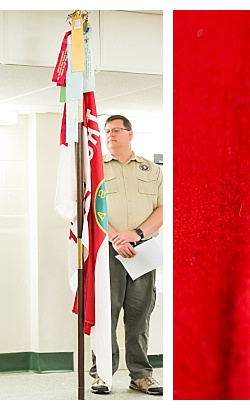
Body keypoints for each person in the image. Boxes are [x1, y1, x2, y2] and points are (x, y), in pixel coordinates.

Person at [90, 115, 165, 396]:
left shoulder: (151, 170)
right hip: (108, 250)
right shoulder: (96, 168)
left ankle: (141, 375)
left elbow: (163, 208)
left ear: (130, 134)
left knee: (139, 313)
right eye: (107, 130)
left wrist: (137, 234)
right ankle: (103, 375)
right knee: (106, 313)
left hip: (142, 250)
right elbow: (91, 209)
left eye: (116, 130)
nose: (110, 134)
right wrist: (115, 236)